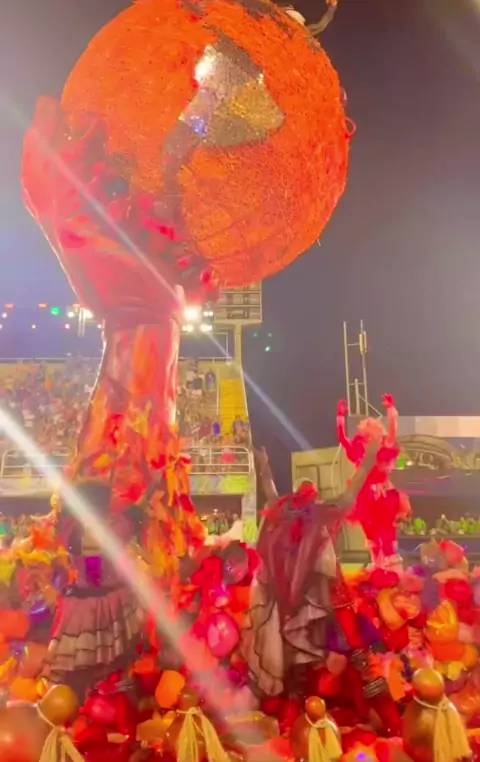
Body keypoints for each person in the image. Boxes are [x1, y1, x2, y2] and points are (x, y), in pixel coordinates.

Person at [242, 441, 401, 735]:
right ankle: (387, 722)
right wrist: (262, 466)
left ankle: (388, 720)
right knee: (308, 663)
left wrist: (264, 468)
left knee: (338, 658)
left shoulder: (310, 513)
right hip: (314, 603)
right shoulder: (306, 512)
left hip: (316, 603)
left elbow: (272, 495)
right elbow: (273, 494)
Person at [41, 484, 143, 697]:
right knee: (107, 660)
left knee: (84, 661)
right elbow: (95, 572)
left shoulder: (71, 528)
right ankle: (98, 697)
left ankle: (85, 699)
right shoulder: (107, 530)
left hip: (81, 604)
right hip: (106, 601)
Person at [336, 393, 411, 569]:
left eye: (370, 436)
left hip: (383, 494)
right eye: (365, 436)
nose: (367, 439)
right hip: (364, 495)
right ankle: (377, 566)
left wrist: (391, 410)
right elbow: (342, 439)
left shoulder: (383, 448)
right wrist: (340, 417)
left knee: (387, 531)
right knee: (371, 533)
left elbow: (392, 433)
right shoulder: (357, 450)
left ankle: (392, 564)